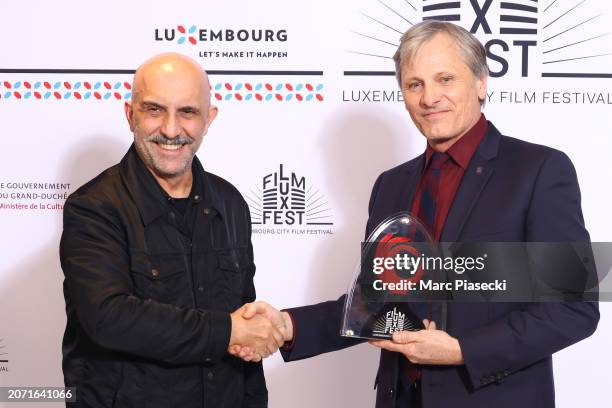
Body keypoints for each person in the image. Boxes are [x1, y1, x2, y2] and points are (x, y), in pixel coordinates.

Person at [232, 21, 599, 407]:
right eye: (415, 84)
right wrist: (287, 325)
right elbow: (376, 307)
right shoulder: (391, 185)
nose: (429, 98)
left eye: (445, 79)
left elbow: (573, 309)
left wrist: (461, 350)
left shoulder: (538, 170)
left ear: (480, 83)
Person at [59, 53, 284, 408]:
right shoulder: (94, 208)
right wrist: (227, 331)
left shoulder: (230, 203)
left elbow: (244, 330)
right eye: (154, 110)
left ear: (208, 119)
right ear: (130, 114)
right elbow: (109, 318)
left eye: (187, 112)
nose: (170, 129)